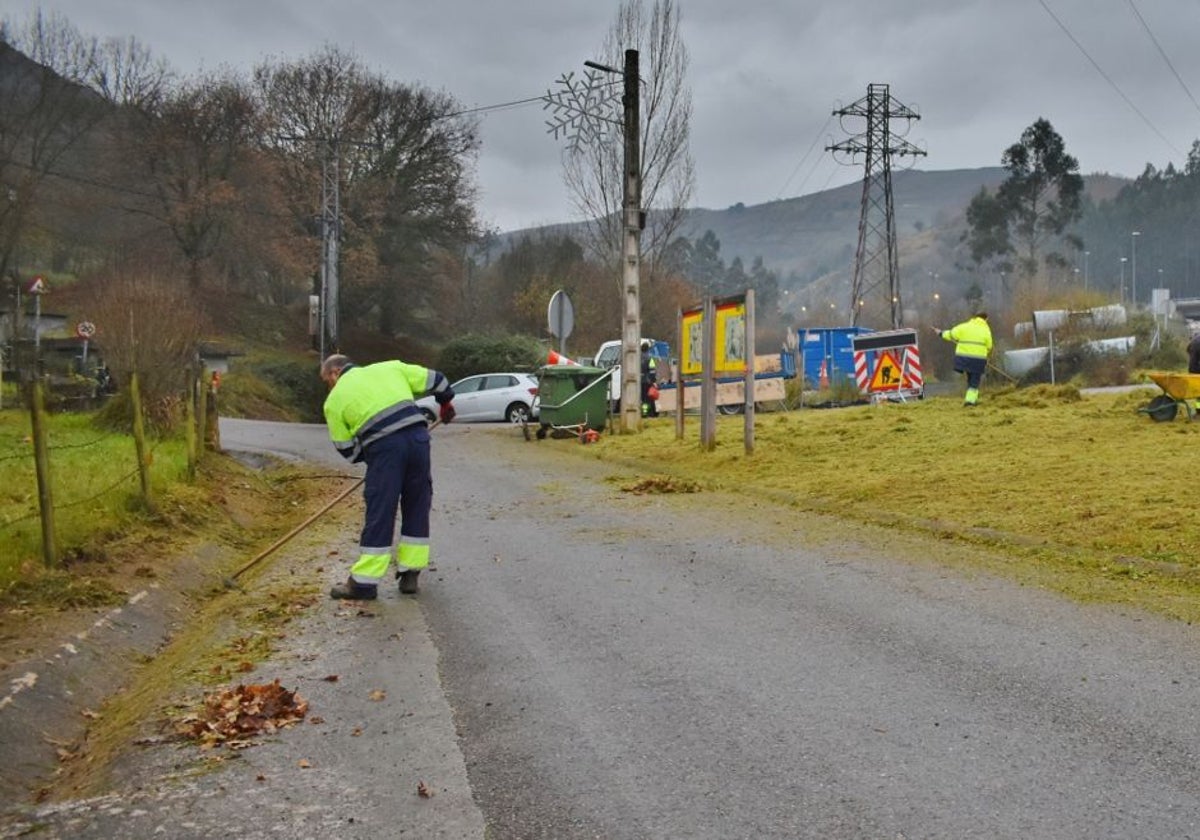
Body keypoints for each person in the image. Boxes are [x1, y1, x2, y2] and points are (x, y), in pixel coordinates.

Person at [320, 354, 455, 600]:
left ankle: (363, 584)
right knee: (416, 503)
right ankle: (410, 574)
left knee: (380, 510)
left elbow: (348, 449)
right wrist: (445, 406)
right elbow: (440, 381)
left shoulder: (334, 401)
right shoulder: (390, 367)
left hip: (384, 451)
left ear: (334, 373)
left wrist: (376, 459)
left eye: (326, 380)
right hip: (418, 441)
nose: (329, 385)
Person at [932, 311, 993, 406]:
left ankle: (973, 399)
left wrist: (940, 333)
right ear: (985, 319)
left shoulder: (964, 326)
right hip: (978, 360)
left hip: (963, 359)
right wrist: (985, 354)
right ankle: (970, 401)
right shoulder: (986, 330)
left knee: (970, 378)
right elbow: (989, 346)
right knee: (975, 381)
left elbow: (951, 334)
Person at [640, 339, 659, 417]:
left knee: (642, 398)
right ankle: (649, 413)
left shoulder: (637, 357)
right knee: (649, 399)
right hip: (647, 381)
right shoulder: (650, 358)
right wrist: (654, 381)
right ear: (648, 348)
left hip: (639, 381)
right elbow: (652, 371)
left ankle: (643, 413)